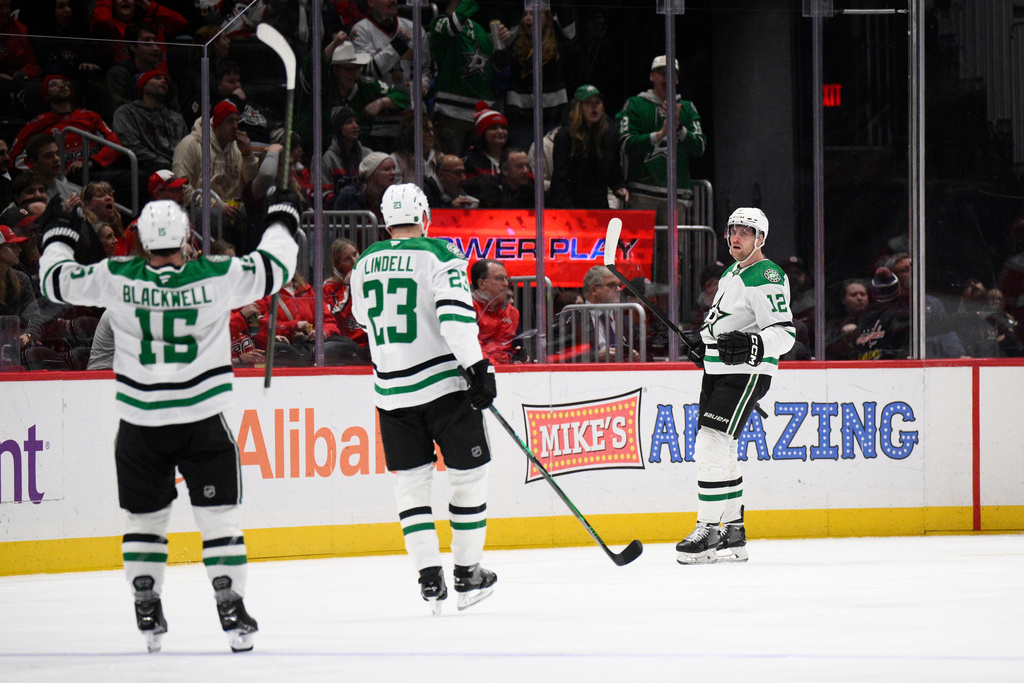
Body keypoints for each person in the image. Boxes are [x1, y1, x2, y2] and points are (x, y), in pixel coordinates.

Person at [37, 189, 302, 653]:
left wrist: (57, 235)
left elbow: (55, 282)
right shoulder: (216, 275)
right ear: (187, 239)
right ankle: (231, 605)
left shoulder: (117, 276)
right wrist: (281, 216)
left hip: (140, 424)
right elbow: (276, 266)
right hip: (202, 419)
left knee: (145, 521)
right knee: (219, 520)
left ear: (139, 239)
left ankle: (146, 602)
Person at [350, 183, 498, 615]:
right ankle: (467, 575)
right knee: (468, 478)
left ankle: (429, 578)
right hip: (443, 389)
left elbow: (361, 317)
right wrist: (477, 366)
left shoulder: (363, 262)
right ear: (425, 215)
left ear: (385, 219)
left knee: (411, 483)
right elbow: (454, 318)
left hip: (391, 392)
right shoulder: (440, 255)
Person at [676, 207, 794, 564]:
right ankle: (732, 532)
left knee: (711, 441)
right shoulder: (731, 272)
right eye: (733, 230)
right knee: (722, 447)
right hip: (718, 370)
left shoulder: (767, 274)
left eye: (745, 231)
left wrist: (756, 345)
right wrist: (703, 343)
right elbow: (724, 325)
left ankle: (708, 528)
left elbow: (785, 334)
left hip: (746, 372)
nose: (736, 237)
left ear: (761, 238)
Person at [615, 55, 706, 226]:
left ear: (677, 79)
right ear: (651, 76)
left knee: (674, 252)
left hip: (676, 196)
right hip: (642, 193)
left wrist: (679, 129)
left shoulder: (686, 108)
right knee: (640, 250)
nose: (666, 77)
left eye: (671, 73)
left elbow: (699, 147)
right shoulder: (635, 105)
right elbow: (625, 143)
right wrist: (659, 135)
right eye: (660, 73)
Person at [428, 0, 503, 157]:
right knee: (450, 169)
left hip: (482, 116)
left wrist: (503, 44)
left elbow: (499, 66)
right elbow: (452, 26)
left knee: (478, 174)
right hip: (451, 115)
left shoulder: (479, 29)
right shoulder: (440, 22)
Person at [10, 75, 123, 178]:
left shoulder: (89, 116)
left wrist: (92, 162)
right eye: (53, 85)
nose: (61, 86)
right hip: (61, 179)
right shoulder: (38, 123)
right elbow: (15, 159)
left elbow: (115, 145)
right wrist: (45, 176)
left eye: (65, 83)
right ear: (46, 95)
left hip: (94, 172)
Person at [502, 6, 576, 150]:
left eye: (535, 14)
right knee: (522, 158)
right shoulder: (515, 37)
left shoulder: (557, 36)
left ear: (547, 18)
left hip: (553, 113)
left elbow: (568, 22)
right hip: (520, 113)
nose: (529, 18)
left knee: (550, 156)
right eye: (526, 14)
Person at [550, 85, 628, 210]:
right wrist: (568, 210)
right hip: (571, 204)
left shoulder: (608, 133)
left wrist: (619, 186)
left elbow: (613, 167)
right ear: (578, 107)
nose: (594, 107)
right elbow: (561, 179)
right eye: (588, 103)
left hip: (598, 203)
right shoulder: (565, 136)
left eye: (598, 102)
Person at [112, 69, 188, 180]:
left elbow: (184, 146)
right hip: (144, 167)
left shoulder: (176, 118)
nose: (163, 81)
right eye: (157, 78)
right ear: (143, 85)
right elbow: (130, 144)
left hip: (176, 166)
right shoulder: (127, 113)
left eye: (165, 80)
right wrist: (163, 163)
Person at [350, 0, 432, 94]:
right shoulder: (360, 31)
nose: (393, 1)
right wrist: (398, 45)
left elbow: (425, 68)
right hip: (376, 103)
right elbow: (367, 72)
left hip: (410, 102)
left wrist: (423, 82)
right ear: (371, 2)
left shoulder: (414, 28)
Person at [323, 237, 368, 355]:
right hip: (346, 345)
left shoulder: (368, 280)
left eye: (355, 254)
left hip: (369, 342)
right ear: (338, 265)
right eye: (347, 259)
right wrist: (347, 287)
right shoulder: (329, 288)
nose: (354, 261)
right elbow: (335, 318)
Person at [471, 258, 520, 364]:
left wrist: (517, 359)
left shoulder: (512, 313)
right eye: (499, 278)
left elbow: (512, 348)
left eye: (506, 279)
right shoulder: (468, 309)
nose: (506, 284)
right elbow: (472, 350)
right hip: (478, 372)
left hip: (506, 372)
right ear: (482, 284)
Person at [321, 105, 370, 207]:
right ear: (339, 128)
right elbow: (324, 195)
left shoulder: (367, 154)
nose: (355, 126)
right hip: (338, 218)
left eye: (356, 122)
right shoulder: (328, 159)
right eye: (349, 122)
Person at [21, 134, 77, 202]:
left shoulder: (74, 193)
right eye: (49, 156)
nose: (56, 159)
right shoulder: (25, 196)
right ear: (33, 162)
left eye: (57, 154)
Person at [824, 279, 869, 360]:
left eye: (863, 294)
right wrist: (844, 337)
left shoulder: (874, 319)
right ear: (843, 300)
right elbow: (828, 349)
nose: (859, 298)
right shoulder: (835, 323)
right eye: (853, 295)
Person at [464, 102, 508, 179]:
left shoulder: (513, 157)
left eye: (503, 128)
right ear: (482, 134)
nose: (500, 131)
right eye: (493, 128)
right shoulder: (471, 160)